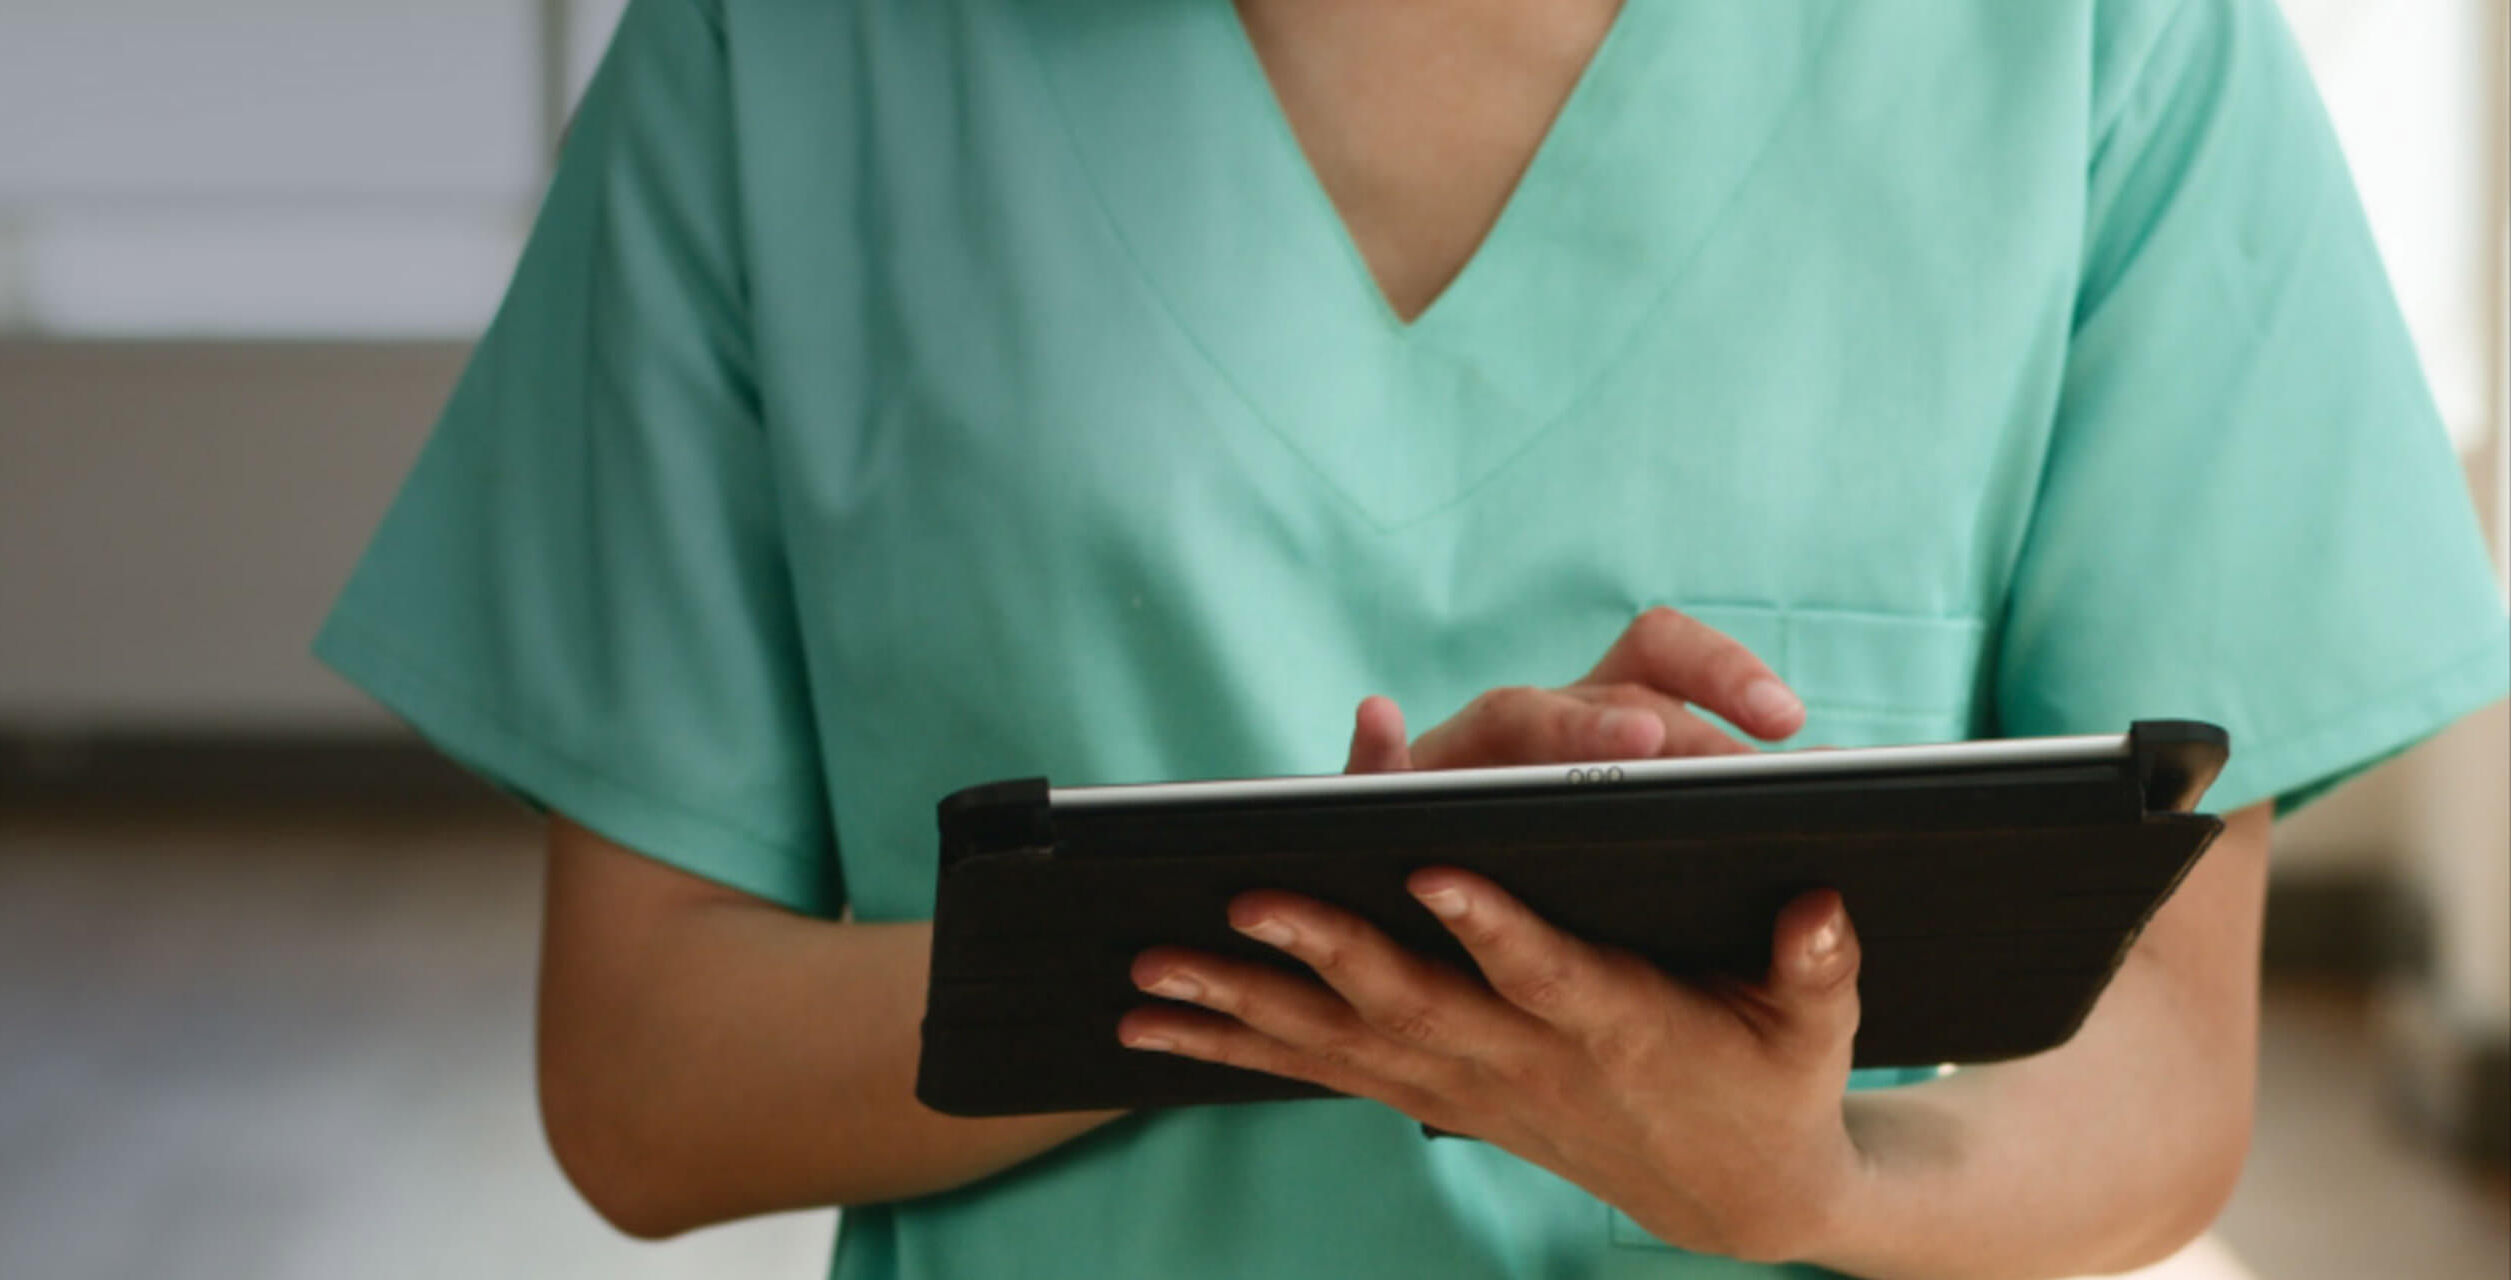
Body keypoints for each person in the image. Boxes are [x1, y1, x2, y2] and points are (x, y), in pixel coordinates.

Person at [314, 0, 2511, 1274]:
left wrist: (1809, 1173)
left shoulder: (2100, 46)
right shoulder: (802, 55)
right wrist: (1311, 925)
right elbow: (640, 1080)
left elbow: (2174, 1061)